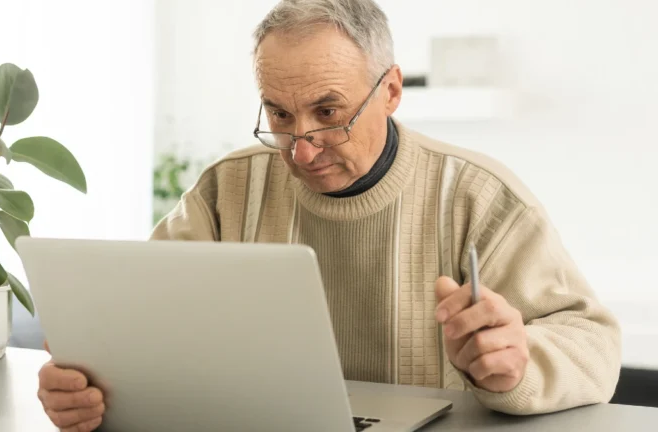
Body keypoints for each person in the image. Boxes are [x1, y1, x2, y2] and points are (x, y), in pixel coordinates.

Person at [36, 0, 621, 430]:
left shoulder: (480, 196)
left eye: (327, 110)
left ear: (390, 91)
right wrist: (86, 383)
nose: (301, 146)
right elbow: (140, 326)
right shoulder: (227, 188)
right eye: (280, 114)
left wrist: (519, 364)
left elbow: (593, 344)